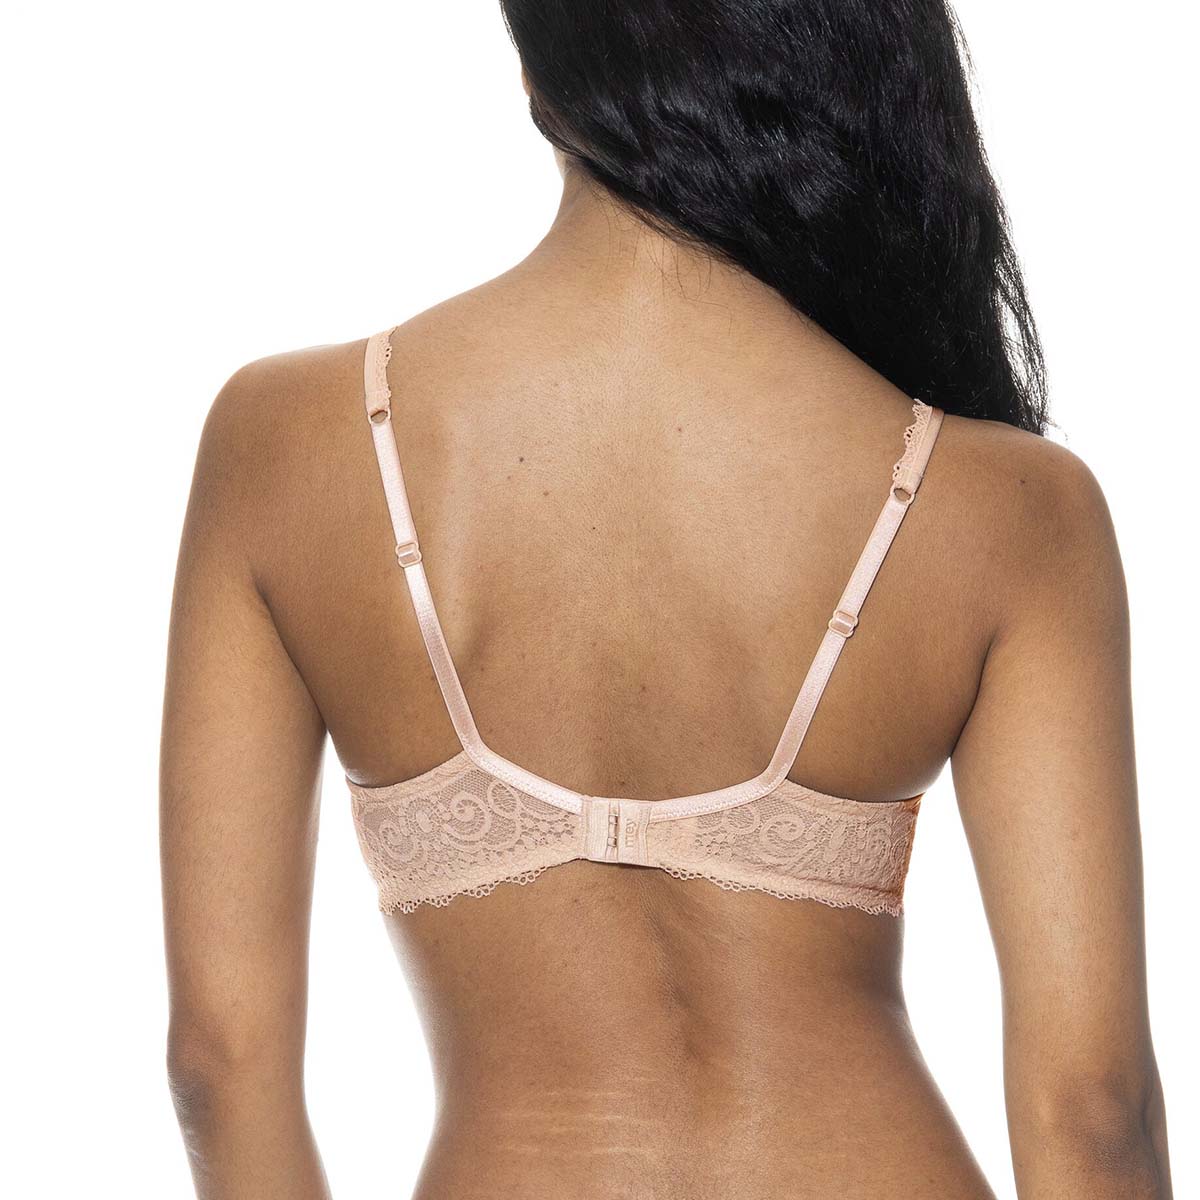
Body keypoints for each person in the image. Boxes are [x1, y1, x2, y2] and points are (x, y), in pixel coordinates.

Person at [160, 2, 1172, 1196]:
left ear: (543, 73)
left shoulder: (290, 445)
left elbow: (219, 1063)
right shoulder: (1006, 506)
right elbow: (1091, 1107)